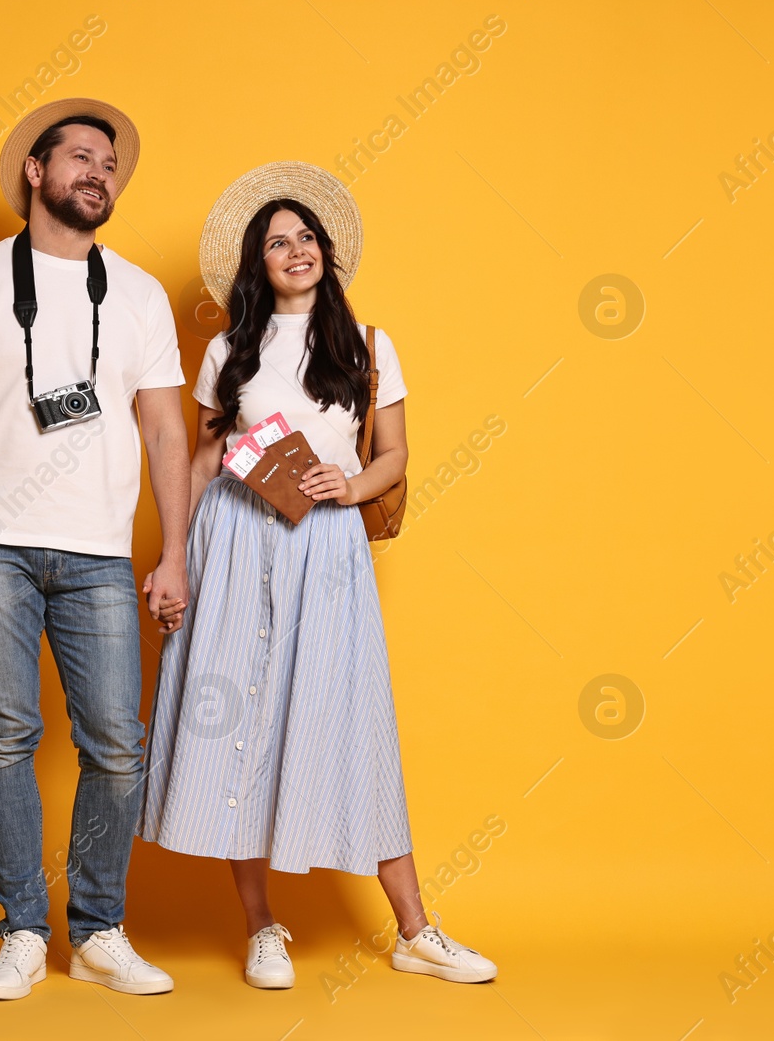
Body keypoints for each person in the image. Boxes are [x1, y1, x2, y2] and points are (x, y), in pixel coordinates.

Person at [137, 161, 497, 989]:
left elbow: (397, 452)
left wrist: (354, 484)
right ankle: (262, 925)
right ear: (256, 265)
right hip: (234, 541)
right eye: (276, 242)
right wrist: (173, 560)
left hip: (328, 548)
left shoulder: (367, 344)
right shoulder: (229, 348)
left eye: (305, 238)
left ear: (328, 253)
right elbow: (198, 460)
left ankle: (414, 929)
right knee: (236, 724)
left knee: (351, 721)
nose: (293, 250)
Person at [0, 97, 192, 1001]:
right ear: (36, 172)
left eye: (111, 165)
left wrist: (172, 552)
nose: (100, 173)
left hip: (98, 549)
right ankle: (21, 929)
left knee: (116, 746)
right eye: (82, 158)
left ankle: (97, 930)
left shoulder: (136, 294)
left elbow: (167, 432)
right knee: (6, 735)